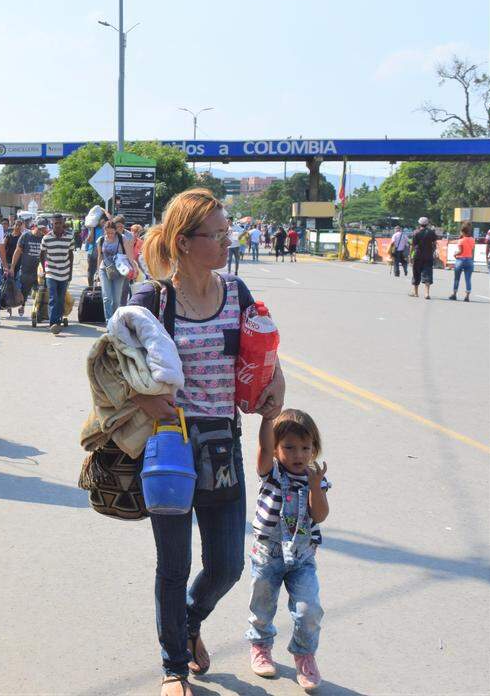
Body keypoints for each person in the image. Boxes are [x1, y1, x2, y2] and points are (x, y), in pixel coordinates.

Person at [127, 188, 285, 696]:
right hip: (170, 449)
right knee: (173, 565)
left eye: (226, 231)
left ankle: (189, 622)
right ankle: (173, 665)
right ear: (183, 241)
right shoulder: (152, 299)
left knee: (226, 565)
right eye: (215, 235)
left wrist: (275, 384)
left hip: (222, 445)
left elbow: (263, 352)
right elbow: (115, 365)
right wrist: (143, 399)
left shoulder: (236, 291)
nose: (225, 241)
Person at [247, 409, 330, 692]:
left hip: (303, 557)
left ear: (314, 449)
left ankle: (304, 654)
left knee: (309, 609)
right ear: (275, 449)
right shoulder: (271, 473)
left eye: (306, 448)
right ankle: (260, 646)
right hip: (267, 555)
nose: (298, 454)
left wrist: (315, 487)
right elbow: (263, 448)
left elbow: (319, 515)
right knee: (262, 608)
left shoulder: (315, 479)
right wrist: (267, 419)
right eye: (289, 447)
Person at [39, 213, 74, 334]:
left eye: (60, 223)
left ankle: (58, 320)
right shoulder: (46, 238)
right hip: (51, 272)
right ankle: (53, 323)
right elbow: (42, 255)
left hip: (64, 272)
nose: (58, 225)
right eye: (55, 223)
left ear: (63, 223)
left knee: (60, 298)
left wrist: (70, 271)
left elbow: (71, 255)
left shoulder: (69, 237)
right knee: (53, 297)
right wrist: (44, 270)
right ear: (52, 223)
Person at [98, 216, 135, 322]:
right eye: (107, 233)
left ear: (115, 231)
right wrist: (97, 273)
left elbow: (129, 255)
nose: (110, 235)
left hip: (119, 270)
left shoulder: (121, 238)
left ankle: (114, 320)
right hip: (105, 269)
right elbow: (100, 257)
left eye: (112, 233)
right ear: (104, 231)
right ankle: (109, 321)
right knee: (107, 297)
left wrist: (134, 267)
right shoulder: (100, 240)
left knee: (116, 299)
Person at [11, 218, 45, 317]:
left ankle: (38, 311)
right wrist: (12, 267)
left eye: (43, 228)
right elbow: (17, 252)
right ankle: (22, 305)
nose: (41, 231)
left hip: (39, 271)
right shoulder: (26, 236)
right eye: (40, 228)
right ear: (35, 226)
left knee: (40, 292)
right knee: (24, 292)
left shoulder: (45, 238)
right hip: (26, 270)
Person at [410, 217, 438, 299]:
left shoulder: (416, 232)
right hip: (428, 256)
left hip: (417, 255)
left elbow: (413, 246)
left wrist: (410, 256)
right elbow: (435, 244)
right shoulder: (431, 232)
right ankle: (427, 293)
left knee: (416, 273)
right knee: (428, 274)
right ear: (427, 224)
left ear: (419, 223)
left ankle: (415, 293)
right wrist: (432, 251)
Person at [448, 221, 476, 301]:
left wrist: (454, 254)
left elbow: (460, 251)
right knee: (468, 279)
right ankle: (467, 296)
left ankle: (454, 294)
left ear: (463, 231)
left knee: (457, 278)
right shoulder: (472, 239)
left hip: (460, 260)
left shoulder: (461, 240)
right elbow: (472, 250)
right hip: (469, 260)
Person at [3, 219, 25, 317]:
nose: (18, 227)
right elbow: (2, 248)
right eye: (16, 225)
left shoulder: (23, 237)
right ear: (14, 225)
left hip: (19, 263)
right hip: (8, 263)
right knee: (8, 285)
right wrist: (2, 261)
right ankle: (8, 305)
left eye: (20, 225)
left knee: (19, 285)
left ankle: (21, 305)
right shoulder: (8, 236)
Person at [84, 209, 107, 288]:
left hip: (102, 254)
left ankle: (100, 288)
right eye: (102, 222)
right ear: (99, 220)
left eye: (104, 222)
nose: (103, 223)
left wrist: (104, 210)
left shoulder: (106, 230)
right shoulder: (93, 228)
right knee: (91, 271)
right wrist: (92, 229)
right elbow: (89, 240)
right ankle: (90, 287)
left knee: (101, 272)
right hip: (92, 252)